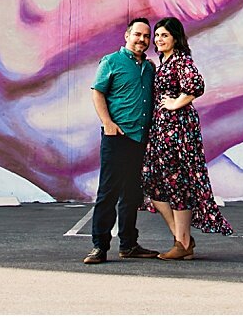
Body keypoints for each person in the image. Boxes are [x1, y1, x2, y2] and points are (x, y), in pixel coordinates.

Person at [142, 16, 234, 259]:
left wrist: (175, 104)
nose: (159, 39)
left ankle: (182, 243)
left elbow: (196, 85)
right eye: (157, 35)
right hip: (161, 131)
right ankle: (182, 239)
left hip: (178, 131)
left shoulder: (181, 60)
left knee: (177, 183)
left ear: (175, 38)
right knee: (153, 184)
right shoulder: (165, 62)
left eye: (164, 35)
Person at [84, 18, 163, 264]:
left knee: (132, 194)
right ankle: (99, 246)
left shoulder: (149, 68)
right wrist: (107, 122)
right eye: (137, 34)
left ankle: (128, 244)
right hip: (117, 137)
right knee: (108, 192)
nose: (142, 39)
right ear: (127, 35)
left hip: (140, 138)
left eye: (146, 36)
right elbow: (97, 91)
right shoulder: (111, 61)